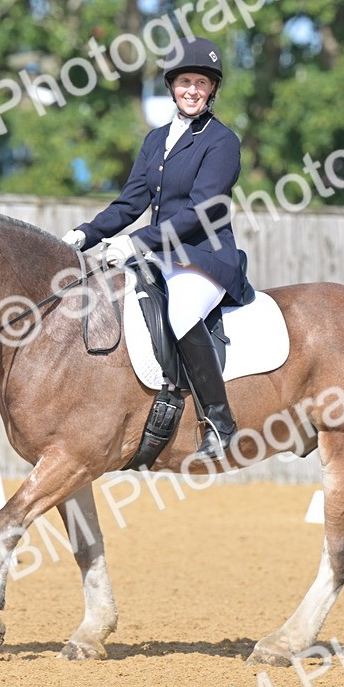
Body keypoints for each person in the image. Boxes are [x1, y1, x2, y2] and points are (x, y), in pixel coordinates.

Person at [62, 36, 251, 461]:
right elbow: (131, 202)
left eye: (201, 83)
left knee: (182, 313)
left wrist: (136, 241)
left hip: (205, 258)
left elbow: (201, 211)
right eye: (185, 81)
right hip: (159, 258)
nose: (192, 90)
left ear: (212, 90)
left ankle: (221, 425)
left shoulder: (222, 142)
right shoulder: (156, 140)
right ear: (172, 86)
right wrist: (85, 234)